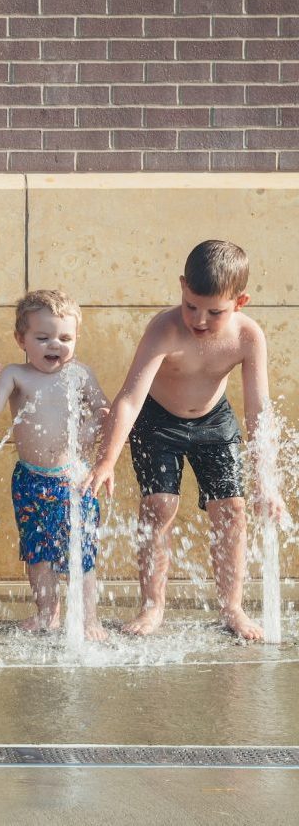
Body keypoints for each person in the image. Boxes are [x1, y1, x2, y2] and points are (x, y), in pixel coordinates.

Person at [86, 240, 285, 640]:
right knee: (160, 505)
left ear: (240, 301)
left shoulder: (248, 337)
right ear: (181, 286)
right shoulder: (165, 328)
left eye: (215, 312)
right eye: (191, 305)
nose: (199, 319)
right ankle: (153, 605)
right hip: (158, 421)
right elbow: (129, 398)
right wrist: (107, 459)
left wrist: (268, 479)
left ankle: (232, 608)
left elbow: (258, 411)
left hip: (215, 422)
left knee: (232, 508)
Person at [0, 290, 108, 640]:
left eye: (65, 338)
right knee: (38, 554)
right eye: (43, 337)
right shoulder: (17, 375)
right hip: (31, 479)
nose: (55, 345)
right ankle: (48, 613)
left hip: (75, 480)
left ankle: (89, 619)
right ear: (21, 339)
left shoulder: (80, 374)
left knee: (82, 553)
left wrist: (100, 428)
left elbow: (103, 410)